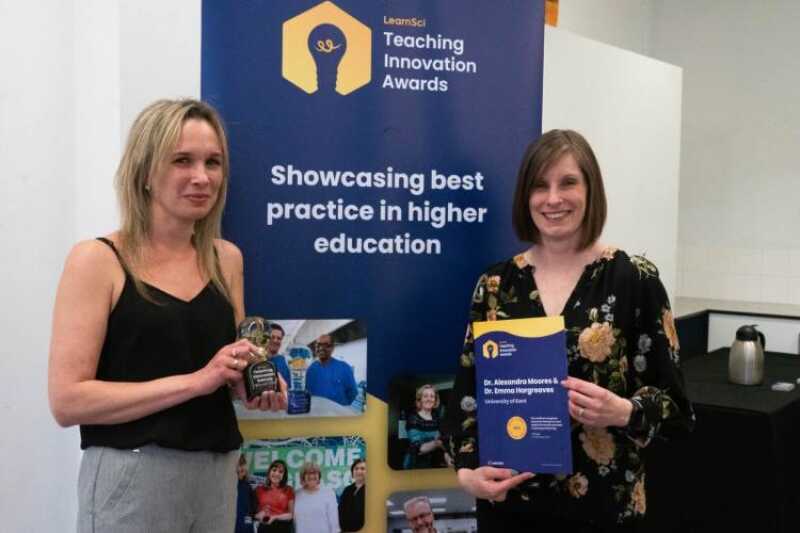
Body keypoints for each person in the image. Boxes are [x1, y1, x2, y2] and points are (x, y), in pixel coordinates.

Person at [48, 99, 287, 533]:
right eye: (182, 161)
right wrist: (198, 381)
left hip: (216, 475)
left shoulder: (226, 259)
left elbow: (229, 374)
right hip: (132, 475)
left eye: (213, 162)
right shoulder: (97, 260)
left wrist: (251, 384)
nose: (202, 177)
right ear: (144, 172)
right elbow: (68, 401)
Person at [444, 129, 694, 532]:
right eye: (539, 186)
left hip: (604, 510)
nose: (553, 198)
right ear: (525, 196)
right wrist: (467, 474)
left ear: (590, 190)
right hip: (510, 508)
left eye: (568, 183)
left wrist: (623, 411)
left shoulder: (634, 279)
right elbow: (466, 398)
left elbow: (677, 410)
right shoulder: (495, 285)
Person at [403, 385, 452, 469]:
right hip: (415, 464)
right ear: (420, 399)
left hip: (434, 462)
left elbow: (444, 438)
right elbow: (419, 448)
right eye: (425, 396)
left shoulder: (437, 417)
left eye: (432, 396)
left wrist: (446, 453)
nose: (429, 399)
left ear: (435, 400)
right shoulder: (413, 418)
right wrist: (437, 443)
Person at [305, 334, 358, 406]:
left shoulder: (344, 368)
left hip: (338, 412)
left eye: (326, 345)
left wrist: (341, 406)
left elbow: (352, 392)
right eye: (318, 345)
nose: (321, 348)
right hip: (317, 411)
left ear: (332, 348)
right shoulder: (309, 370)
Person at [293, 462, 340, 533]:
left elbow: (334, 521)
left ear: (319, 476)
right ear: (303, 477)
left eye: (314, 473)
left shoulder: (329, 493)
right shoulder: (296, 494)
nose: (312, 476)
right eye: (308, 473)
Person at [254, 459, 295, 533]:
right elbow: (253, 513)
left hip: (283, 528)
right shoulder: (259, 489)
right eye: (274, 470)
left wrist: (275, 517)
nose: (276, 474)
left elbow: (291, 515)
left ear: (284, 475)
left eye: (280, 472)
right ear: (269, 472)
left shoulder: (289, 490)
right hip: (264, 528)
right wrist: (259, 515)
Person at [338, 458, 366, 532]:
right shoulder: (347, 490)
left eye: (362, 469)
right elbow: (340, 512)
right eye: (356, 469)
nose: (359, 471)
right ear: (352, 472)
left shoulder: (372, 490)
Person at [236, 455, 256, 533]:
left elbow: (251, 510)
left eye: (243, 464)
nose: (242, 468)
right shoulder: (230, 486)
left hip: (246, 527)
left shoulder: (248, 486)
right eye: (239, 464)